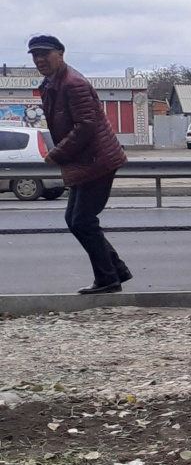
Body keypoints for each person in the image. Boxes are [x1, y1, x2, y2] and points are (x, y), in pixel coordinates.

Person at [30, 34, 132, 294]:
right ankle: (116, 270)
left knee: (82, 221)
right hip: (86, 160)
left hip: (97, 160)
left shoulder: (73, 83)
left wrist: (57, 154)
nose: (39, 59)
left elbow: (85, 126)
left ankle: (108, 278)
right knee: (76, 220)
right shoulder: (52, 83)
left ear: (60, 54)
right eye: (35, 55)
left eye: (45, 53)